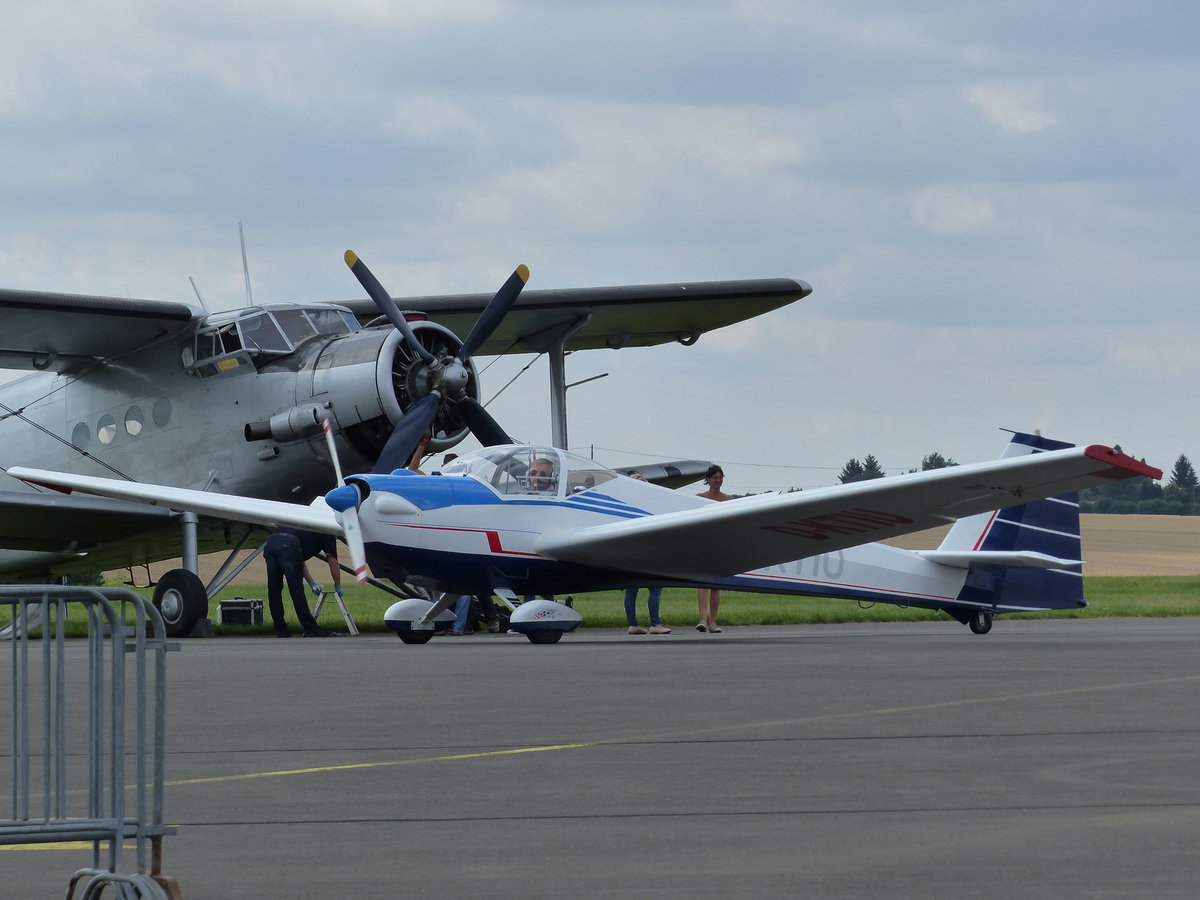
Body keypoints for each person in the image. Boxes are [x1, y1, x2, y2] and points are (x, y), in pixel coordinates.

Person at [263, 527, 340, 637]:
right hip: (289, 544)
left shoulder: (307, 529)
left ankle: (280, 629)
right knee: (296, 589)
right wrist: (338, 586)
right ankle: (310, 628)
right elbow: (333, 563)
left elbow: (299, 560)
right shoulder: (328, 532)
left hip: (271, 543)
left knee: (274, 589)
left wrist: (311, 583)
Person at [696, 464, 734, 633]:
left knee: (716, 585)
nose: (718, 481)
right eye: (714, 478)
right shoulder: (699, 498)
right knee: (703, 583)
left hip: (721, 545)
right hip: (704, 544)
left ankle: (713, 621)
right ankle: (702, 620)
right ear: (708, 480)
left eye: (720, 478)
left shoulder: (729, 499)